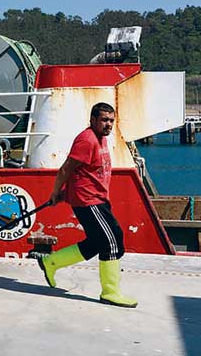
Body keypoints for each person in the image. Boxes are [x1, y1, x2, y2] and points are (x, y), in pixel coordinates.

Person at [38, 102, 138, 308]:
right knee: (112, 241)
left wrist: (67, 193)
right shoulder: (87, 140)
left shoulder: (100, 138)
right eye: (104, 120)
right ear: (92, 120)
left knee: (96, 242)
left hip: (96, 199)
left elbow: (84, 173)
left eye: (111, 120)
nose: (108, 124)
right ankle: (110, 292)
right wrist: (56, 192)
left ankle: (51, 262)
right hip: (88, 201)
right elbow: (66, 168)